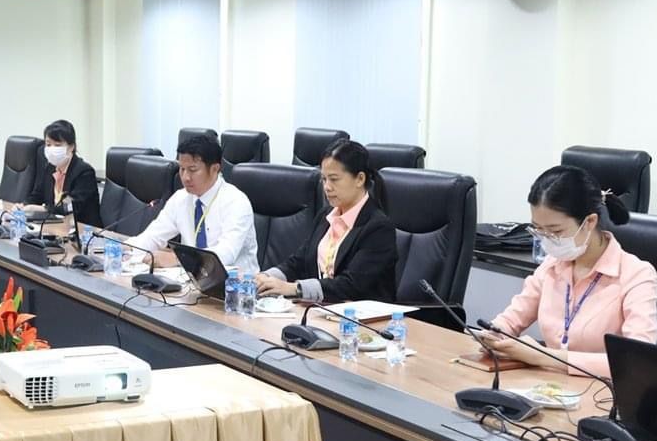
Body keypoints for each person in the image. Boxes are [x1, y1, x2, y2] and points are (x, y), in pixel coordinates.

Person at [483, 165, 657, 378]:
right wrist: (494, 334)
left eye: (556, 231)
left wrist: (543, 356)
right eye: (538, 229)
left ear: (590, 222)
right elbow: (512, 318)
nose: (547, 239)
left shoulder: (636, 275)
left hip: (601, 393)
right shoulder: (552, 265)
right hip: (547, 387)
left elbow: (636, 362)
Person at [257, 138, 398, 303]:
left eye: (334, 179)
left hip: (360, 315)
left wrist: (295, 288)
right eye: (324, 179)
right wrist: (267, 277)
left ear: (360, 179)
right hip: (321, 309)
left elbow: (351, 285)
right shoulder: (326, 215)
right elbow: (300, 261)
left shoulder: (378, 227)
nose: (327, 187)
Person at [126, 132, 259, 275]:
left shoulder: (236, 202)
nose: (185, 177)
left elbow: (226, 254)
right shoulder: (181, 198)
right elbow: (154, 236)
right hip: (192, 279)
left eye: (192, 170)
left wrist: (178, 259)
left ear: (215, 169)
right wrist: (126, 248)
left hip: (235, 283)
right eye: (182, 169)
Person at [25, 119, 102, 227]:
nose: (52, 149)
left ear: (71, 147)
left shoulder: (84, 172)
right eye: (48, 144)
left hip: (82, 230)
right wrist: (24, 205)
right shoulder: (49, 168)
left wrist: (43, 209)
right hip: (56, 226)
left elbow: (70, 206)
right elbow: (37, 195)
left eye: (57, 145)